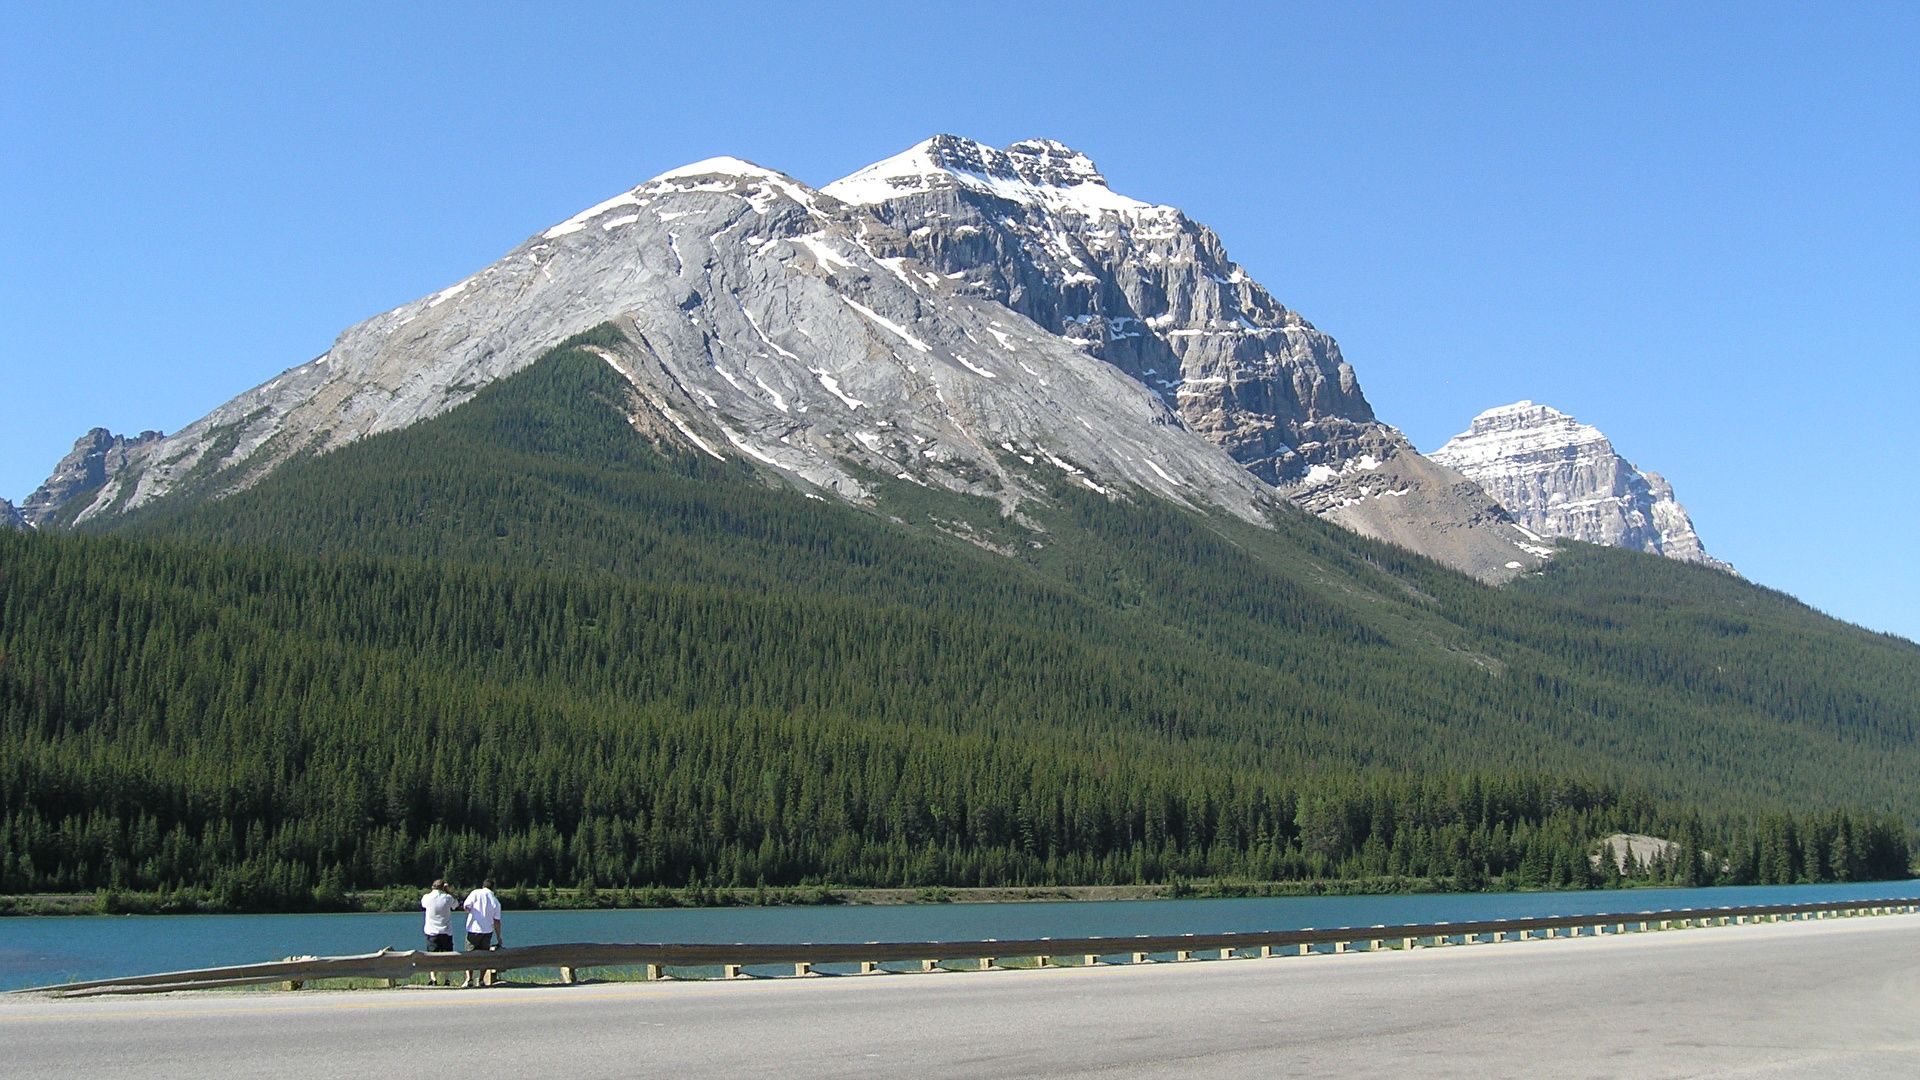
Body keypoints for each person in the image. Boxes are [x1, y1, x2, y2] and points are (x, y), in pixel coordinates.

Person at [460, 878, 504, 988]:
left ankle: (469, 979)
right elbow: (497, 921)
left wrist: (470, 912)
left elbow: (466, 906)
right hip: (487, 931)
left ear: (483, 885)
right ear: (493, 888)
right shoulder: (495, 901)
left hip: (473, 929)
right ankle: (481, 980)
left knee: (469, 955)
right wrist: (499, 937)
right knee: (484, 956)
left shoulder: (475, 893)